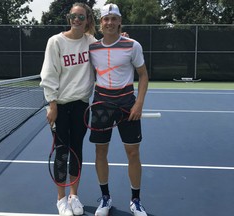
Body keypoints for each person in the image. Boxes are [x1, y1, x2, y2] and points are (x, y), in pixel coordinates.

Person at [88, 3, 149, 216]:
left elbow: (143, 75)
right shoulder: (92, 47)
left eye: (114, 19)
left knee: (133, 152)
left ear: (119, 21)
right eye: (106, 19)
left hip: (126, 103)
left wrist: (139, 103)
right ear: (101, 22)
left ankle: (136, 201)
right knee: (100, 151)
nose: (110, 22)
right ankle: (105, 198)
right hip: (101, 103)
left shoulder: (133, 45)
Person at [40, 3, 96, 216]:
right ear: (69, 18)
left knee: (77, 151)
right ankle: (61, 199)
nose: (76, 20)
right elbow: (49, 75)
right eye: (73, 16)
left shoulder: (91, 42)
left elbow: (109, 47)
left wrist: (122, 38)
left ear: (87, 20)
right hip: (60, 107)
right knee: (62, 153)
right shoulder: (55, 42)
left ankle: (74, 196)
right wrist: (52, 105)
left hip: (81, 105)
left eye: (81, 17)